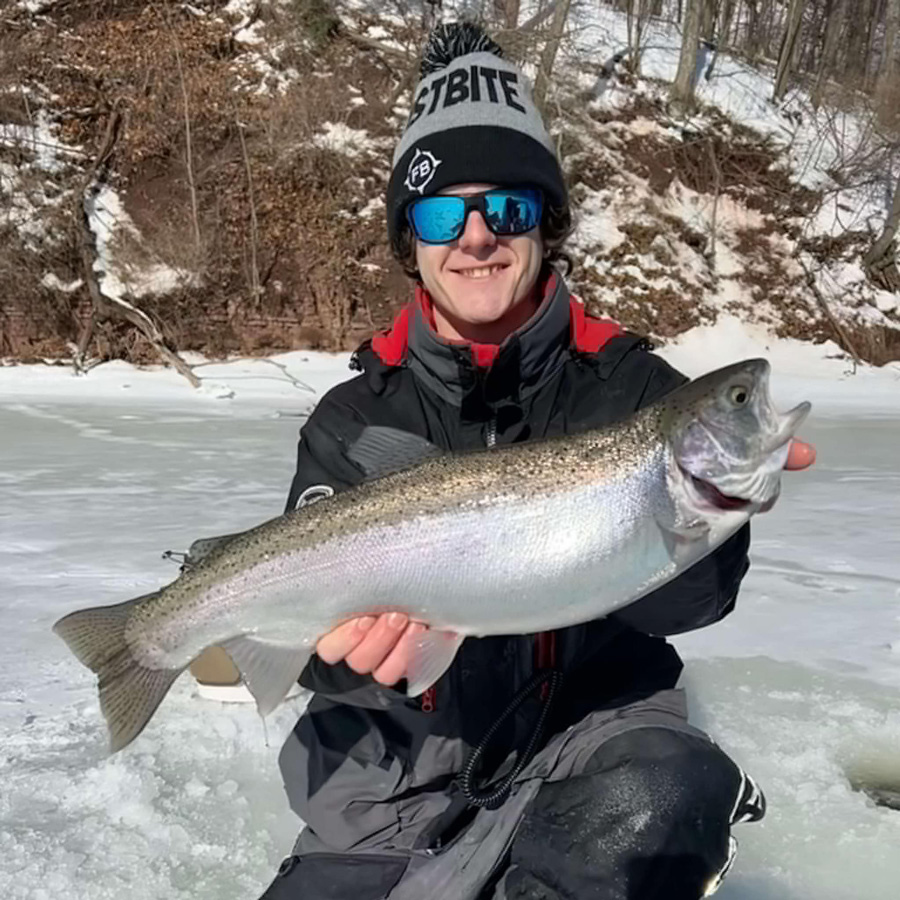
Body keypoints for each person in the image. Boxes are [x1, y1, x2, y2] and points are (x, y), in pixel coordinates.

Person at [258, 23, 814, 900]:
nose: (476, 237)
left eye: (508, 208)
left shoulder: (635, 389)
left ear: (545, 224)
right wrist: (342, 657)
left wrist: (718, 512)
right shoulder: (354, 421)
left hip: (591, 737)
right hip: (388, 778)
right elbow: (304, 644)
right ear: (413, 241)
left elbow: (698, 601)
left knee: (663, 795)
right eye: (444, 213)